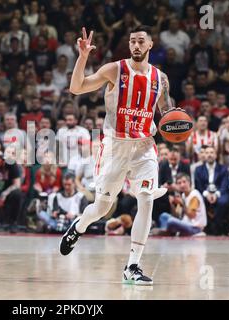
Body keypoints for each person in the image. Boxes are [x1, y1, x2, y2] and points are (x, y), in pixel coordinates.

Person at [59, 26, 173, 285]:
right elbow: (76, 88)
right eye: (132, 40)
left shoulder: (161, 78)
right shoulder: (115, 69)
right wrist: (83, 57)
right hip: (115, 146)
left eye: (140, 41)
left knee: (146, 198)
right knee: (102, 207)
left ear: (150, 45)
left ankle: (132, 265)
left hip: (144, 146)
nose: (135, 45)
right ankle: (79, 227)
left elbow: (167, 112)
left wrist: (176, 123)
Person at [194, 146, 229, 235]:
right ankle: (204, 227)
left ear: (215, 155)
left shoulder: (223, 168)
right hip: (204, 192)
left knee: (223, 201)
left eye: (211, 153)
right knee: (199, 200)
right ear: (204, 155)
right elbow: (198, 186)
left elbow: (224, 185)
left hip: (219, 192)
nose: (209, 155)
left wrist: (216, 194)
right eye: (207, 153)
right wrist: (207, 194)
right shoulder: (198, 169)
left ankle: (217, 227)